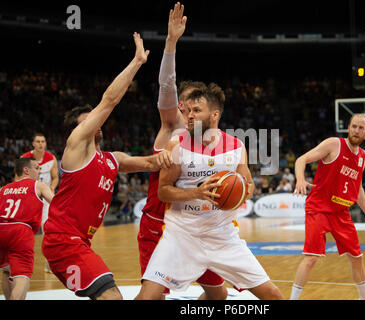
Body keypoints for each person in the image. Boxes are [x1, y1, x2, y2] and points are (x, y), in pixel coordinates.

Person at [41, 33, 172, 300]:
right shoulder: (76, 146)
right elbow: (109, 101)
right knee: (112, 297)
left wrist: (183, 148)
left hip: (80, 243)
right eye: (86, 120)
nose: (94, 121)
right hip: (63, 242)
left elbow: (152, 162)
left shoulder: (112, 159)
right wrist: (137, 62)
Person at [136, 83, 284, 300]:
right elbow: (164, 192)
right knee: (147, 297)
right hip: (181, 235)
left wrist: (240, 190)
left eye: (197, 111)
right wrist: (196, 193)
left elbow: (249, 186)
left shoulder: (236, 146)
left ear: (214, 114)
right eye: (189, 111)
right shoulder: (176, 145)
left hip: (222, 236)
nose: (190, 116)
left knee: (273, 296)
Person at [136, 2, 228, 300]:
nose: (187, 109)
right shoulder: (172, 125)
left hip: (194, 225)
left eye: (194, 105)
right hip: (159, 224)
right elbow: (166, 83)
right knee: (154, 297)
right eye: (184, 103)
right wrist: (171, 42)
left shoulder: (208, 138)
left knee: (219, 296)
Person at [290, 114, 365, 300]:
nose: (356, 131)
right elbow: (301, 160)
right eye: (353, 126)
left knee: (357, 257)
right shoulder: (334, 144)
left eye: (360, 128)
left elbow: (357, 188)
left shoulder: (362, 156)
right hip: (319, 209)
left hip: (341, 212)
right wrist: (300, 178)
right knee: (311, 258)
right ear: (348, 127)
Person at [0, 157, 54, 299]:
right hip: (21, 231)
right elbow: (56, 204)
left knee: (6, 271)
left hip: (1, 228)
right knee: (22, 276)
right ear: (26, 170)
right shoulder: (39, 185)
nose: (38, 171)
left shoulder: (3, 189)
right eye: (36, 168)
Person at [21, 133, 59, 273]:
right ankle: (18, 260)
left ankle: (48, 262)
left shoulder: (51, 158)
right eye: (38, 141)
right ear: (33, 144)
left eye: (43, 141)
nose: (41, 144)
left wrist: (52, 188)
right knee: (23, 230)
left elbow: (55, 177)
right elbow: (17, 179)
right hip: (29, 197)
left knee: (47, 229)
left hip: (45, 198)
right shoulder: (24, 159)